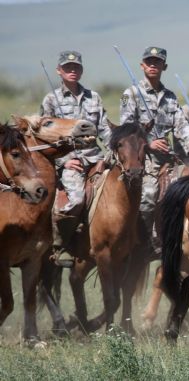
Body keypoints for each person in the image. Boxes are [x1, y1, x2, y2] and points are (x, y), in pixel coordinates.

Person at [120, 46, 189, 258]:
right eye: (149, 61)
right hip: (141, 158)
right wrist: (149, 142)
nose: (153, 65)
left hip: (169, 158)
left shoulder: (170, 97)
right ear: (142, 65)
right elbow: (126, 129)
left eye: (157, 62)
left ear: (164, 66)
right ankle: (144, 240)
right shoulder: (131, 94)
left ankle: (173, 239)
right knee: (148, 197)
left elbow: (180, 124)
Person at [40, 50, 112, 268]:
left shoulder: (94, 97)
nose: (72, 71)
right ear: (59, 71)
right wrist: (63, 162)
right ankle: (61, 246)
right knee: (77, 199)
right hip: (70, 161)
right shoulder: (51, 100)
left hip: (96, 158)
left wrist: (110, 155)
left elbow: (105, 130)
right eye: (67, 67)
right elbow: (44, 137)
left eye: (76, 67)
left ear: (81, 70)